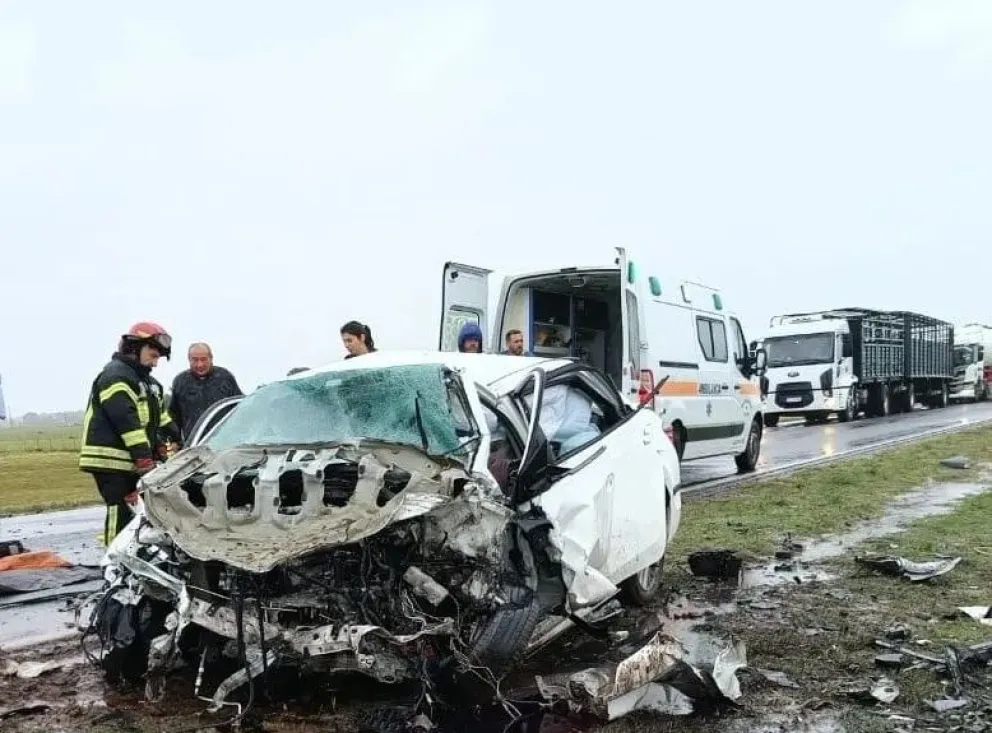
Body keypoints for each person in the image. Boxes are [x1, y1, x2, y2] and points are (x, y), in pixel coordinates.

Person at [79, 322, 182, 546]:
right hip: (109, 459)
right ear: (134, 348)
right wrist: (144, 456)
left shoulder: (149, 383)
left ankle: (134, 555)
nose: (155, 363)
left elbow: (159, 419)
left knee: (141, 511)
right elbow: (126, 420)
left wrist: (179, 438)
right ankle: (113, 562)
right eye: (152, 355)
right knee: (120, 509)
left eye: (158, 358)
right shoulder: (115, 376)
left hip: (132, 460)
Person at [168, 342, 243, 442]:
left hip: (224, 444)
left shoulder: (225, 377)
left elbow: (239, 408)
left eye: (204, 359)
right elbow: (174, 416)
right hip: (194, 444)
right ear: (189, 359)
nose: (200, 364)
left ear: (211, 358)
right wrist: (175, 441)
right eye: (195, 360)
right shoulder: (180, 381)